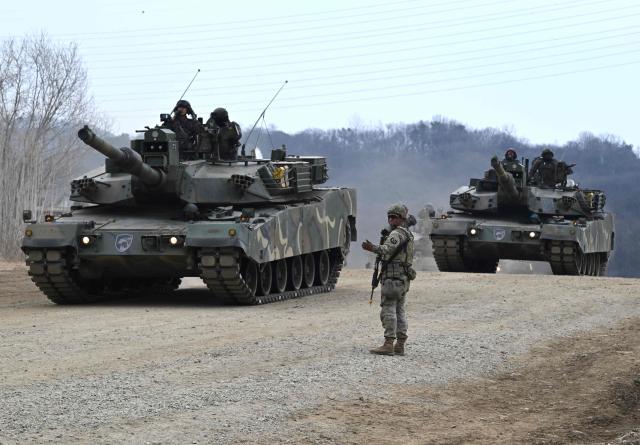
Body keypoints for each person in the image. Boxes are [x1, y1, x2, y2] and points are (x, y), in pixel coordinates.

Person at [362, 204, 415, 356]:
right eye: (389, 217)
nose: (391, 220)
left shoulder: (396, 234)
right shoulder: (407, 233)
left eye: (394, 217)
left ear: (401, 218)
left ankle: (388, 343)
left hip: (393, 278)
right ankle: (400, 343)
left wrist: (371, 248)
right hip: (402, 278)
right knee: (399, 310)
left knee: (389, 309)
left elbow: (386, 249)